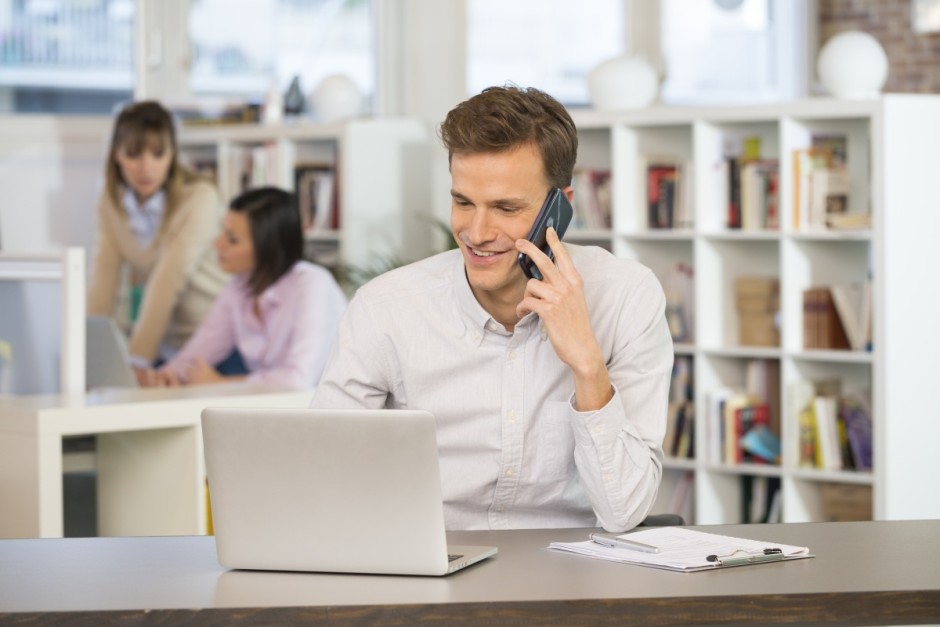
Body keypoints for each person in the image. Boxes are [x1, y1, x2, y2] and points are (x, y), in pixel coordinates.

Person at [311, 85, 674, 532]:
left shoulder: (625, 296)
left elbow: (624, 511)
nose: (477, 232)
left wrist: (587, 364)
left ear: (560, 208)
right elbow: (323, 478)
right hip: (427, 563)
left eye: (505, 207)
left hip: (570, 573)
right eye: (463, 202)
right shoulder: (386, 308)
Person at [140, 186, 347, 389]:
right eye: (223, 232)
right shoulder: (239, 287)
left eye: (232, 239)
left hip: (327, 413)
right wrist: (164, 375)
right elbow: (198, 353)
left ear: (267, 248)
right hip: (273, 411)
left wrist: (219, 383)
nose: (218, 244)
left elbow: (298, 380)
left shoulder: (312, 285)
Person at [87, 100, 228, 376]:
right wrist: (85, 356)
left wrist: (136, 361)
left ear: (173, 155)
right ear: (116, 154)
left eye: (158, 153)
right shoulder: (111, 202)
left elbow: (167, 282)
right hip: (167, 348)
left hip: (217, 344)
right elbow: (103, 283)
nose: (146, 167)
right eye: (134, 153)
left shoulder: (200, 198)